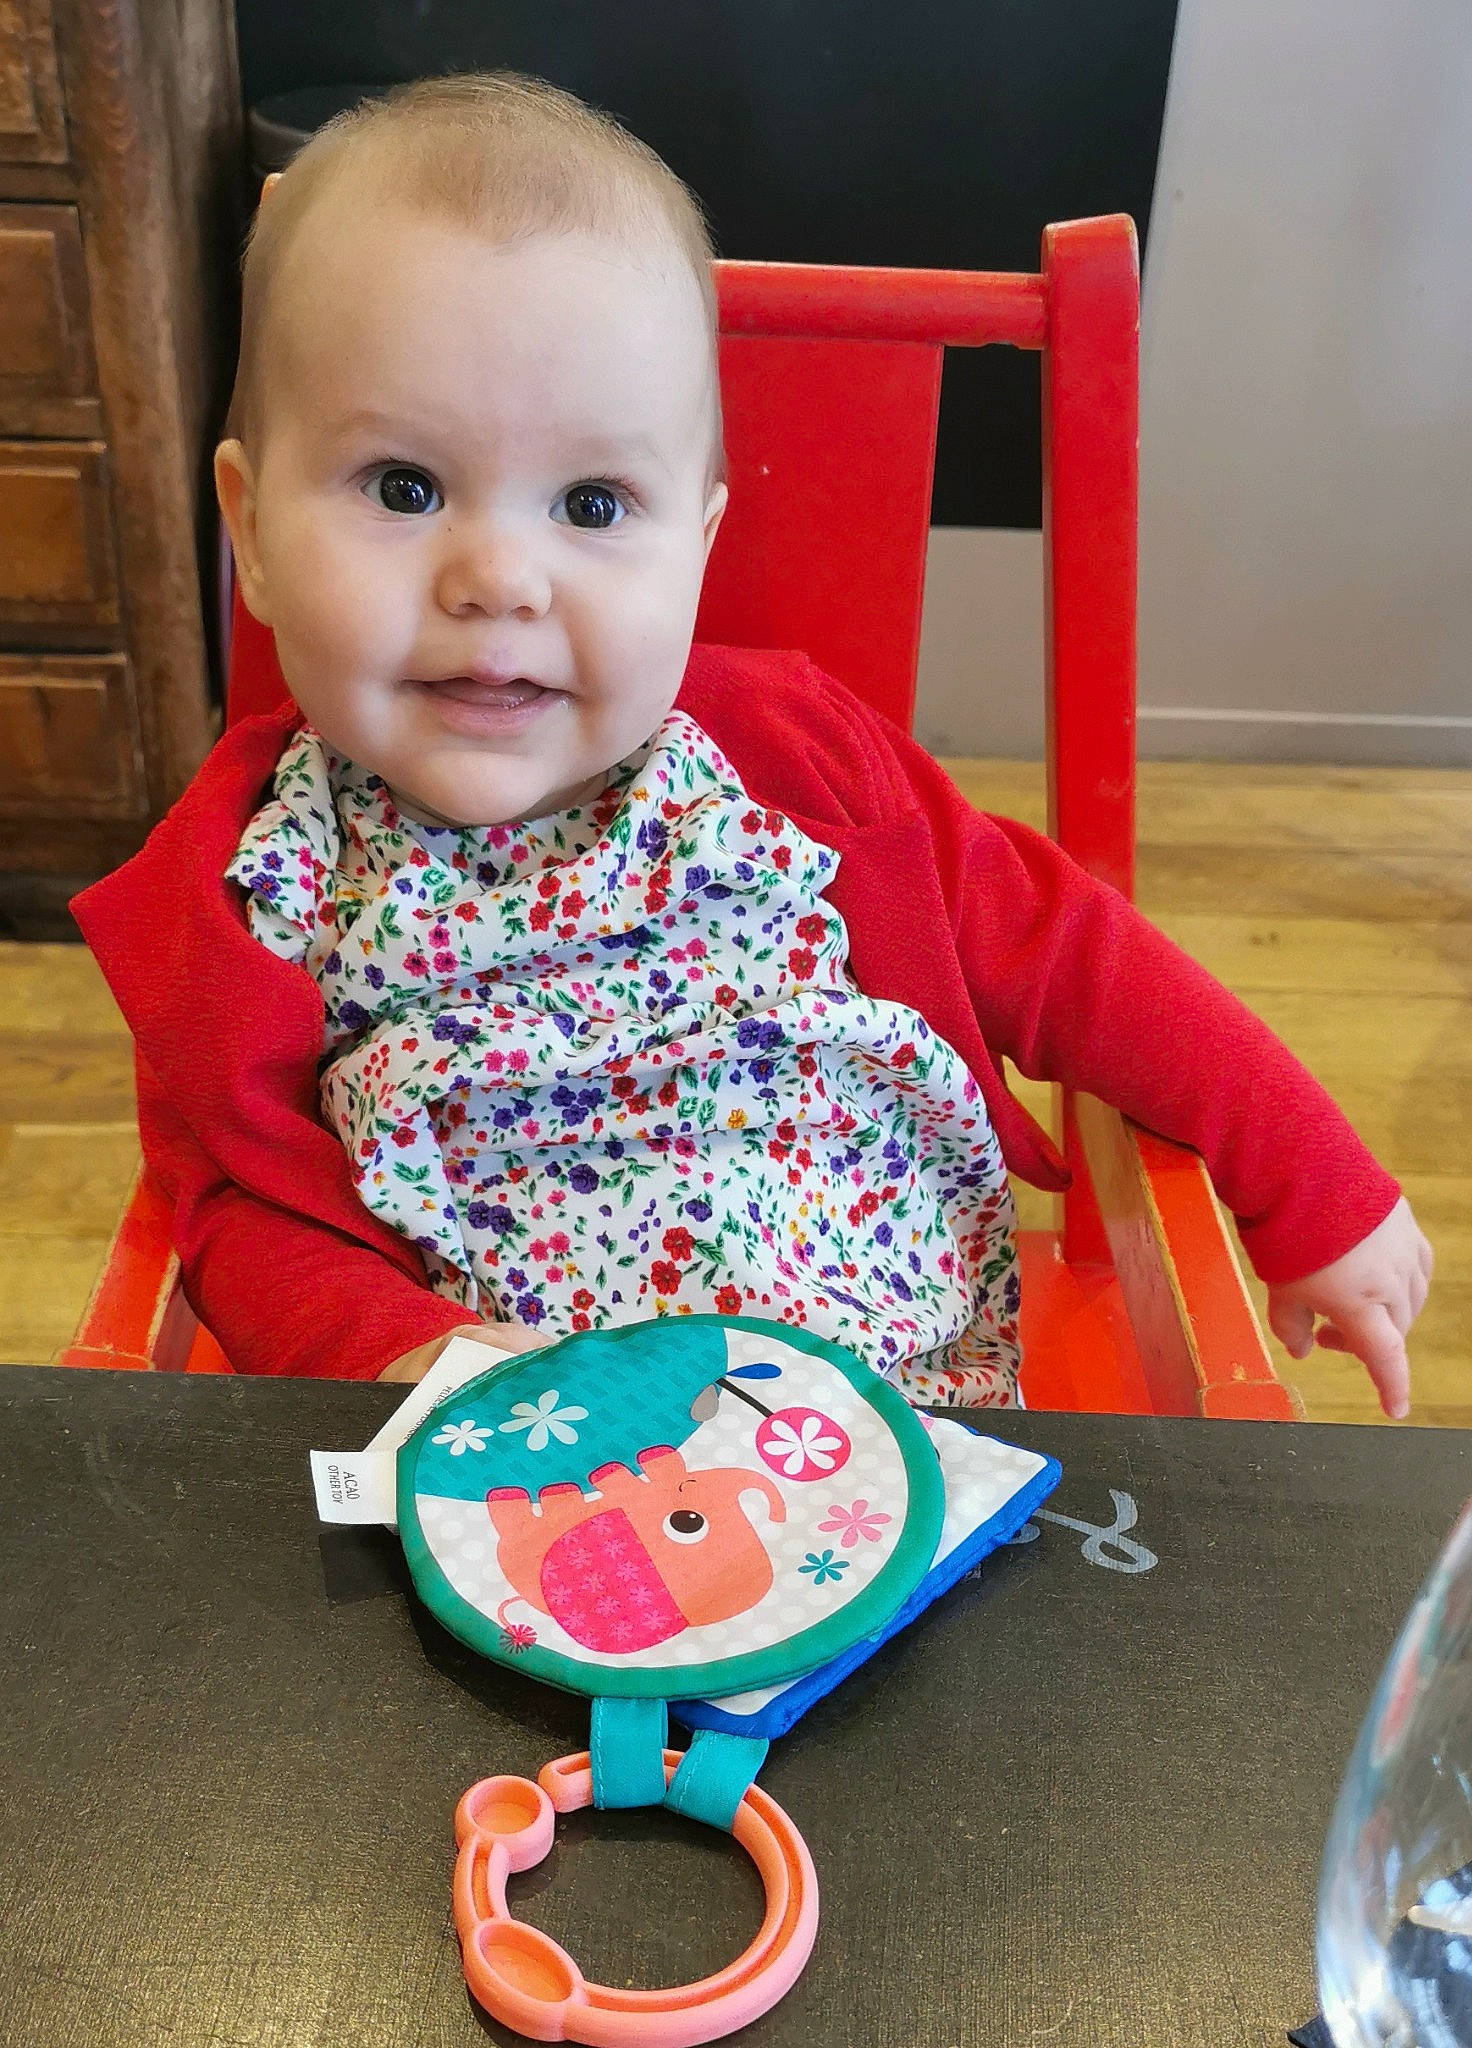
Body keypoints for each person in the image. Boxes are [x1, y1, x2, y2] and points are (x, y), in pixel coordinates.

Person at [73, 73, 1431, 1413]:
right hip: (515, 1477)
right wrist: (413, 1364)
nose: (498, 575)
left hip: (895, 1434)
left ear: (698, 549)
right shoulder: (250, 892)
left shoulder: (789, 766)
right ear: (250, 533)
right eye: (405, 487)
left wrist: (1310, 1186)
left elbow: (1074, 956)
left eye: (593, 503)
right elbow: (236, 1207)